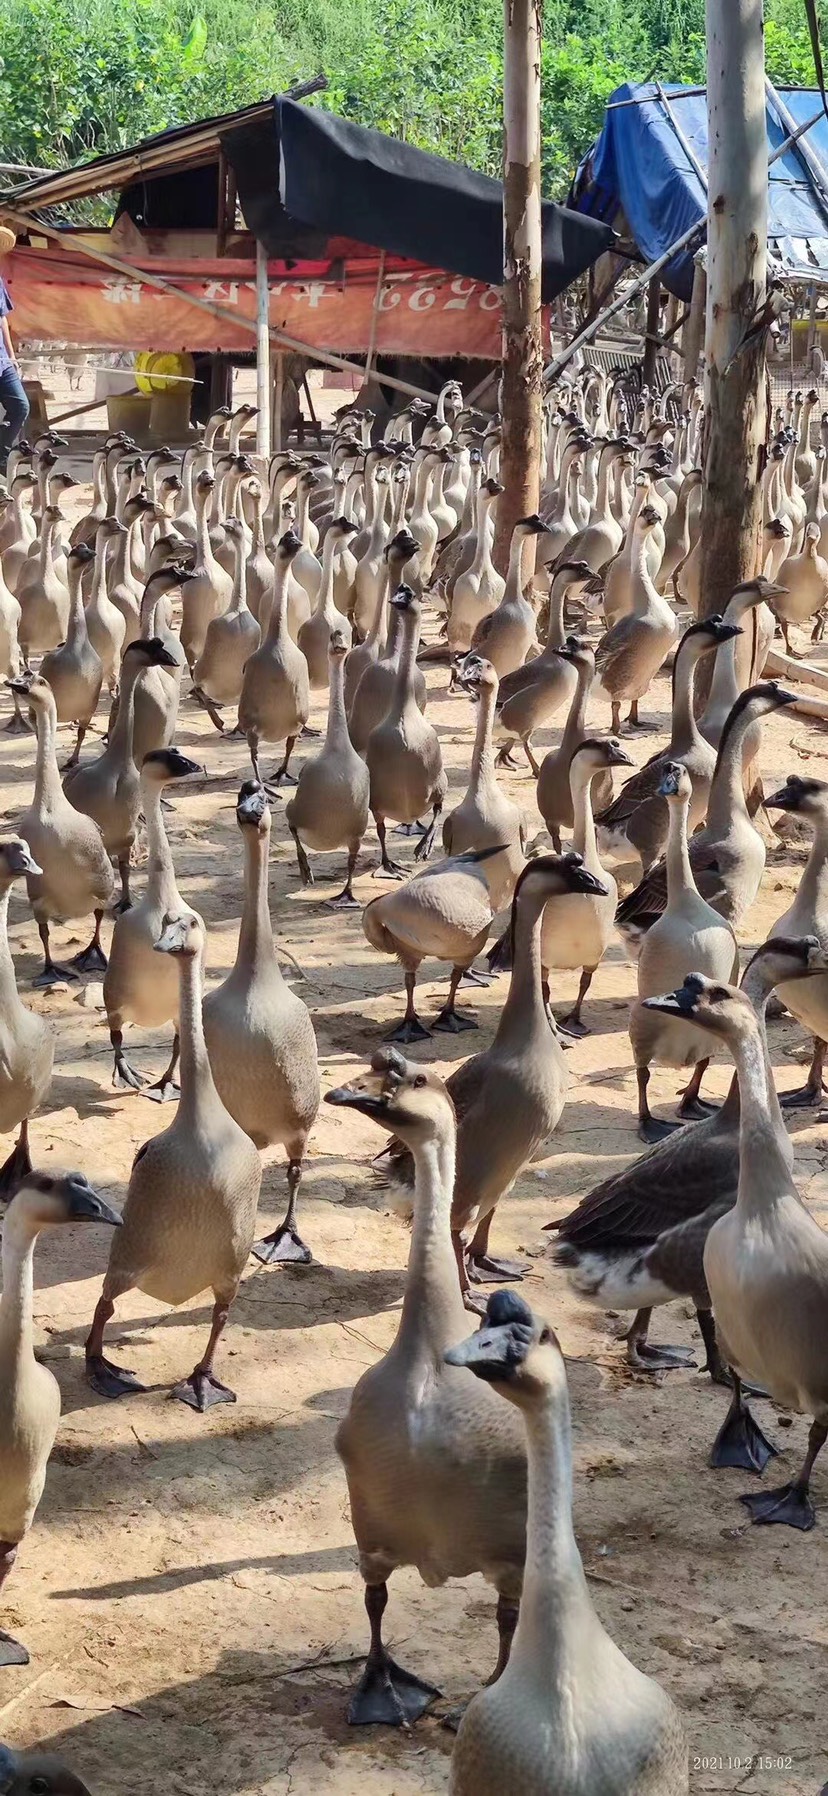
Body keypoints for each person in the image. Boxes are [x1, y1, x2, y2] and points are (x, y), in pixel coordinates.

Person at [0, 224, 29, 472]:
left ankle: (1, 456)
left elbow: (2, 318)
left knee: (20, 407)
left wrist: (11, 355)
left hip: (2, 361)